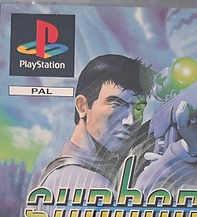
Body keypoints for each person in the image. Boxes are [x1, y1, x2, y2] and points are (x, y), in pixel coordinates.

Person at [39, 54, 153, 190]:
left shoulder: (81, 171)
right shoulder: (80, 180)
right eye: (116, 105)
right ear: (82, 106)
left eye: (138, 108)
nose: (130, 120)